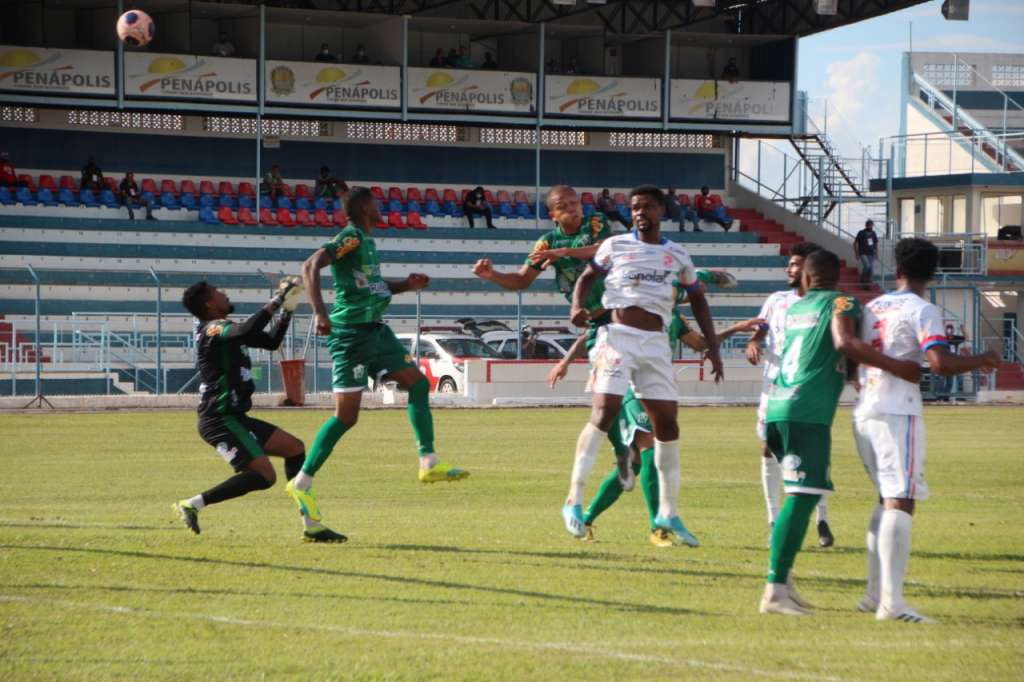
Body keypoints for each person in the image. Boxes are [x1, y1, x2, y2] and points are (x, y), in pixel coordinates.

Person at [286, 187, 469, 531]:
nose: (380, 206)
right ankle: (302, 482)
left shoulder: (366, 243)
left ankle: (428, 462)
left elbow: (371, 284)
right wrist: (319, 313)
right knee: (346, 417)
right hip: (350, 336)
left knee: (419, 385)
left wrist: (406, 285)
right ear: (364, 208)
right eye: (375, 203)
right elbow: (310, 265)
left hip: (375, 330)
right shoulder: (351, 237)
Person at [758, 249, 922, 617]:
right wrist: (899, 367)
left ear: (806, 278)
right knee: (801, 498)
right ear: (838, 276)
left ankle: (784, 582)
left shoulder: (796, 307)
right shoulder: (843, 302)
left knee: (799, 494)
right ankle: (775, 590)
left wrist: (848, 373)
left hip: (778, 404)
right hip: (806, 411)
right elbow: (845, 343)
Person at [567, 185, 724, 545]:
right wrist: (576, 307)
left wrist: (714, 347)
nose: (640, 213)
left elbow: (698, 300)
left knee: (667, 424)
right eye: (635, 207)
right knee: (604, 411)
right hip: (617, 337)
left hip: (655, 344)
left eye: (648, 207)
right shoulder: (615, 245)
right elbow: (587, 277)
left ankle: (668, 513)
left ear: (662, 211)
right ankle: (573, 500)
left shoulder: (677, 254)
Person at [853, 238, 1000, 623]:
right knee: (901, 500)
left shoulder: (872, 306)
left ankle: (873, 594)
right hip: (897, 411)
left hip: (865, 408)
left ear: (897, 269)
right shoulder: (923, 309)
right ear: (932, 274)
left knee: (885, 498)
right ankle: (892, 604)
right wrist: (980, 359)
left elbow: (851, 356)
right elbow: (939, 362)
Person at [552, 302, 761, 545]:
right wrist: (564, 363)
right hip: (629, 386)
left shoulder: (674, 318)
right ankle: (658, 527)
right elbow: (589, 335)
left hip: (654, 387)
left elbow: (701, 344)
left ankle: (587, 519)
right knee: (649, 446)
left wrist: (736, 328)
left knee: (634, 465)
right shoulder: (632, 309)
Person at [473, 186, 635, 488]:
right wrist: (492, 275)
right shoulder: (547, 242)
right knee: (603, 394)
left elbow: (603, 250)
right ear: (553, 214)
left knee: (621, 388)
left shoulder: (595, 222)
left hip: (623, 311)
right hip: (595, 322)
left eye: (575, 203)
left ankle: (637, 439)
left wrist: (563, 254)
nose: (573, 208)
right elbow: (522, 279)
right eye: (564, 205)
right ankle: (623, 449)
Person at [173, 278, 346, 543]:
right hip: (219, 419)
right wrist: (277, 299)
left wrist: (287, 310)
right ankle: (192, 504)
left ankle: (311, 526)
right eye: (218, 292)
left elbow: (271, 341)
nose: (224, 294)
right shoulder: (212, 329)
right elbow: (246, 329)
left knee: (294, 448)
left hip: (235, 417)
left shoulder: (226, 329)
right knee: (265, 476)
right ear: (209, 305)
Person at [745, 242, 835, 548]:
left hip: (807, 387)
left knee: (811, 450)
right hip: (773, 385)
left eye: (796, 264)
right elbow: (759, 332)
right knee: (768, 449)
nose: (789, 269)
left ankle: (822, 518)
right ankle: (773, 519)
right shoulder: (777, 300)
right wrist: (754, 343)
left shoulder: (823, 304)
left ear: (809, 269)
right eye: (790, 263)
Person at [854, 219, 879, 290]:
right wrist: (856, 253)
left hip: (871, 253)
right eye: (869, 225)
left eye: (871, 225)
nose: (870, 227)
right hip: (863, 253)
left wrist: (877, 253)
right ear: (866, 225)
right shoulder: (861, 232)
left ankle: (867, 285)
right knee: (867, 266)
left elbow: (876, 244)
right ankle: (862, 281)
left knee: (871, 269)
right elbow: (855, 243)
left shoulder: (873, 233)